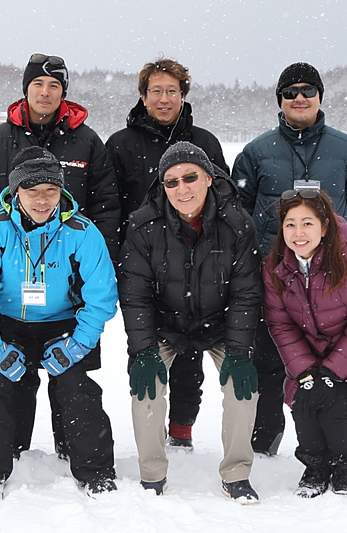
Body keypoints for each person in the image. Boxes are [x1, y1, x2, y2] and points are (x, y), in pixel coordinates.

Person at [0, 53, 120, 458]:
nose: (46, 92)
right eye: (39, 84)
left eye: (55, 85)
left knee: (74, 383)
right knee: (2, 386)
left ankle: (74, 451)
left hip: (67, 283)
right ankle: (7, 451)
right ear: (26, 89)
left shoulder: (86, 140)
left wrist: (90, 259)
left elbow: (105, 203)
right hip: (11, 286)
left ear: (64, 92)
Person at [231, 62, 347, 456]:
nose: (299, 97)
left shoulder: (346, 149)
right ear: (279, 99)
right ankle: (265, 439)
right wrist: (271, 256)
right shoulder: (257, 151)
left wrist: (333, 254)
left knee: (338, 360)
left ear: (319, 97)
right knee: (271, 356)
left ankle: (343, 442)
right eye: (291, 91)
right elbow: (238, 211)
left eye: (308, 90)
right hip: (274, 277)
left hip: (332, 279)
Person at [0, 150, 118, 501]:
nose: (42, 199)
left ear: (62, 193)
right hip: (9, 324)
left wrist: (79, 343)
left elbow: (102, 296)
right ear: (16, 192)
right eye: (32, 190)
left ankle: (95, 471)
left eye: (50, 190)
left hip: (65, 324)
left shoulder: (82, 231)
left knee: (77, 390)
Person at [118, 142, 263, 504]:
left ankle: (236, 474)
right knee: (146, 388)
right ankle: (152, 474)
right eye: (171, 182)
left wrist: (240, 351)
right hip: (165, 326)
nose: (182, 189)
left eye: (190, 178)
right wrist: (144, 350)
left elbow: (246, 294)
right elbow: (135, 294)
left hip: (219, 325)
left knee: (242, 390)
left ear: (209, 179)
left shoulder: (238, 225)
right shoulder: (142, 225)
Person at [106, 58, 229, 449]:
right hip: (142, 265)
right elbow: (109, 205)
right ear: (143, 97)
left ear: (183, 95)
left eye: (171, 91)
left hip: (198, 264)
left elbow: (224, 200)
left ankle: (182, 428)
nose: (163, 99)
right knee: (145, 345)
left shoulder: (205, 143)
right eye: (155, 91)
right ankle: (150, 429)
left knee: (191, 351)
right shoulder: (121, 145)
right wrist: (116, 255)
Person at [261, 188, 347, 500]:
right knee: (303, 403)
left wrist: (333, 372)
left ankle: (344, 464)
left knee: (336, 404)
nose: (298, 232)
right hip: (307, 351)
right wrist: (305, 368)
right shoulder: (275, 266)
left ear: (325, 225)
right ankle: (315, 465)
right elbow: (280, 323)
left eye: (307, 223)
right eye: (290, 224)